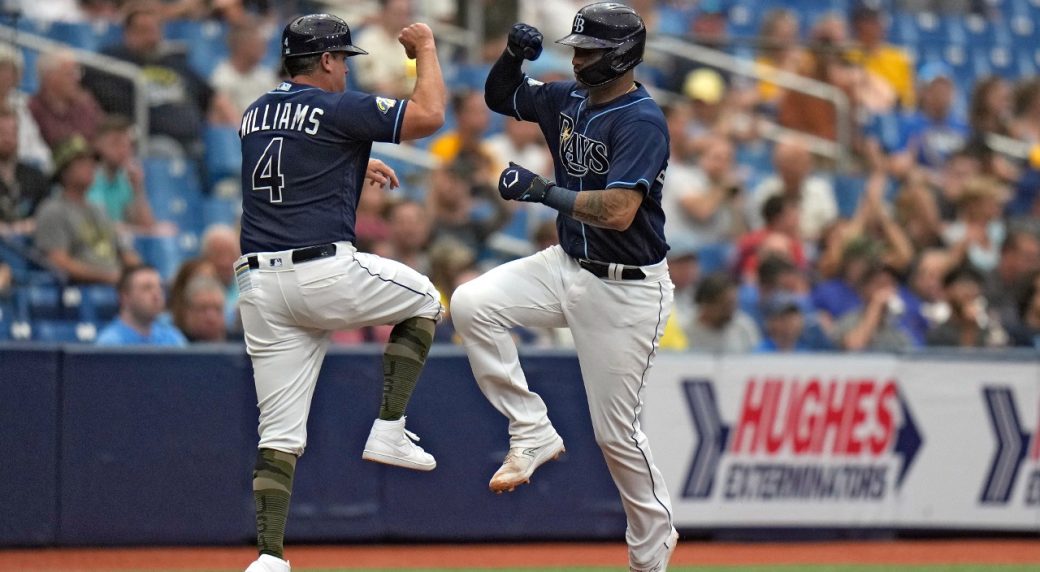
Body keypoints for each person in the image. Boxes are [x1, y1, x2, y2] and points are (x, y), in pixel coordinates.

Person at [449, 5, 679, 571]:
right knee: (472, 303)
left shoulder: (640, 118)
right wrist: (510, 57)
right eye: (576, 48)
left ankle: (652, 553)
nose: (577, 58)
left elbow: (622, 211)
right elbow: (502, 97)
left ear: (621, 56)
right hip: (568, 264)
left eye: (589, 50)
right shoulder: (569, 98)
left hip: (627, 289)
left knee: (615, 436)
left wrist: (541, 191)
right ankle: (531, 429)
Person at [238, 14, 446, 572]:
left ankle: (269, 557)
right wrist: (423, 48)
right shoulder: (335, 108)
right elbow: (429, 115)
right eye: (344, 60)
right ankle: (389, 428)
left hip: (257, 283)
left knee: (277, 433)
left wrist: (354, 160)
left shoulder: (254, 112)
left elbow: (294, 163)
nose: (348, 70)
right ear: (327, 61)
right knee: (426, 299)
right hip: (320, 272)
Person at [33, 135, 139, 284]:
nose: (91, 167)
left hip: (115, 285)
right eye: (82, 162)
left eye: (92, 162)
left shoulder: (99, 209)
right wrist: (109, 277)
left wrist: (140, 272)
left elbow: (124, 252)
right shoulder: (52, 210)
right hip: (81, 291)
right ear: (64, 170)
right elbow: (58, 261)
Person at [87, 115, 157, 231]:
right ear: (98, 144)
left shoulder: (126, 181)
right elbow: (101, 227)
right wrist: (143, 231)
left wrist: (138, 189)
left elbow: (147, 225)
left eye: (127, 144)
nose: (122, 150)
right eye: (115, 143)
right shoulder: (88, 179)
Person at [95, 264, 187, 346]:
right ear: (125, 297)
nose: (157, 295)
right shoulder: (110, 343)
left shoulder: (172, 337)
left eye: (160, 287)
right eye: (147, 288)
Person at [0, 106, 49, 234]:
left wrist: (27, 225)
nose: (8, 139)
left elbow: (48, 213)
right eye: (2, 133)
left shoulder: (35, 175)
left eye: (12, 133)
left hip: (30, 244)